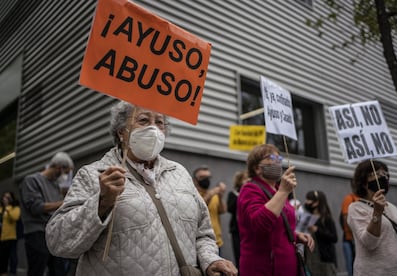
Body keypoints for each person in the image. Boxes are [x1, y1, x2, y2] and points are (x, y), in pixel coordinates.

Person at [45, 101, 237, 276]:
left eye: (160, 122)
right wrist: (102, 202)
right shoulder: (93, 174)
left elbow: (202, 233)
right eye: (143, 120)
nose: (153, 128)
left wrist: (210, 259)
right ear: (121, 131)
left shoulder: (179, 173)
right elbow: (58, 242)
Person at [237, 144, 314, 276]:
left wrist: (296, 236)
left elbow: (278, 227)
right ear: (257, 168)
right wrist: (283, 191)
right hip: (263, 269)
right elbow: (259, 224)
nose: (277, 160)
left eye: (279, 157)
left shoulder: (276, 190)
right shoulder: (250, 190)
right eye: (271, 157)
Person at [348, 159, 397, 276]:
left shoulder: (392, 206)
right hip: (375, 272)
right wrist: (377, 212)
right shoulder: (355, 208)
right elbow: (369, 243)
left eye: (385, 174)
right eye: (377, 174)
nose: (383, 177)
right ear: (364, 182)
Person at [19, 152, 74, 276]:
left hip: (53, 233)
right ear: (59, 167)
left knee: (58, 270)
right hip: (36, 233)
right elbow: (36, 207)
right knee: (37, 269)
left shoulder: (55, 185)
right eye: (66, 173)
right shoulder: (31, 180)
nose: (66, 177)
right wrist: (64, 203)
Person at [193, 165, 227, 254]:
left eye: (208, 177)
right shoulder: (193, 195)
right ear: (195, 180)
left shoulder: (214, 195)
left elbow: (223, 210)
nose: (206, 180)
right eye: (202, 177)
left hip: (217, 241)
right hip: (200, 243)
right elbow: (198, 210)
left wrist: (220, 195)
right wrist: (210, 195)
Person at [303, 190, 338, 276]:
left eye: (309, 200)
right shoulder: (307, 217)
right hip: (312, 259)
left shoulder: (326, 218)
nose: (306, 202)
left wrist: (317, 230)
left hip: (325, 260)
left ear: (316, 202)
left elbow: (334, 237)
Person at [226, 170, 248, 269]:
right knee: (239, 256)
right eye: (244, 179)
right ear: (239, 181)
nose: (247, 181)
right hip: (236, 230)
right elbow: (230, 208)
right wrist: (240, 196)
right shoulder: (233, 194)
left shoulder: (250, 193)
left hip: (248, 230)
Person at [340, 182, 359, 276]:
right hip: (350, 239)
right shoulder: (349, 198)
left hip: (360, 240)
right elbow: (346, 219)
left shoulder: (364, 200)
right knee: (351, 267)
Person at [0, 191, 21, 276]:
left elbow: (15, 217)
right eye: (4, 197)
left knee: (13, 256)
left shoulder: (15, 208)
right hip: (2, 236)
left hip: (11, 236)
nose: (5, 199)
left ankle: (13, 272)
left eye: (8, 197)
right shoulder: (1, 208)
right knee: (2, 256)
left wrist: (8, 208)